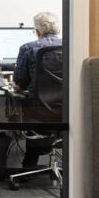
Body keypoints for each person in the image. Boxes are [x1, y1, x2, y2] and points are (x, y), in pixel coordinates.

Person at [12, 11, 62, 171]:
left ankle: (28, 167)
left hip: (39, 111)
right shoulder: (71, 47)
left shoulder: (28, 48)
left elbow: (19, 85)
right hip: (67, 111)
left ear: (38, 31)